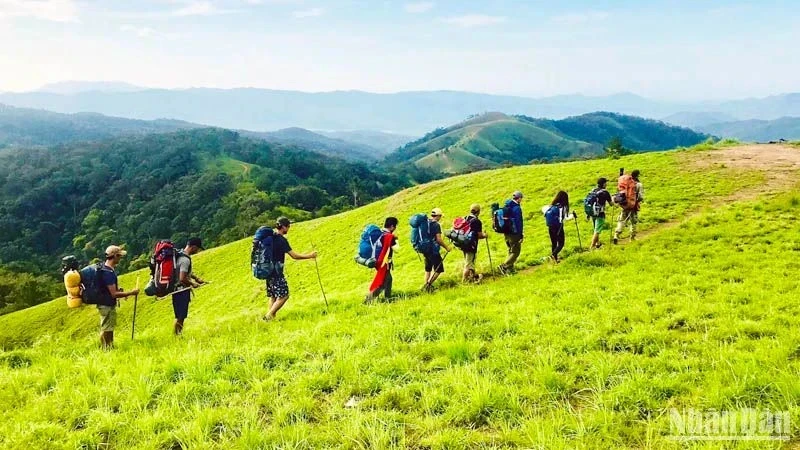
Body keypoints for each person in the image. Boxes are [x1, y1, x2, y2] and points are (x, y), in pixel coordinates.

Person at [263, 216, 317, 321]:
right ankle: (268, 317)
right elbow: (294, 256)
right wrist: (310, 255)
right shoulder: (281, 240)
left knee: (273, 296)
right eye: (288, 226)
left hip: (268, 270)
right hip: (277, 272)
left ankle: (271, 318)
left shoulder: (270, 238)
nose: (289, 228)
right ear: (283, 227)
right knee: (284, 296)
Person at [97, 245, 139, 349]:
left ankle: (109, 347)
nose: (120, 258)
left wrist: (119, 290)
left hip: (104, 302)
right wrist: (131, 292)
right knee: (107, 328)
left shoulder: (105, 269)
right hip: (106, 304)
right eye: (119, 256)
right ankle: (107, 348)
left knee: (108, 327)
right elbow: (114, 294)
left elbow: (110, 289)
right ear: (115, 256)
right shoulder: (108, 273)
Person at [172, 237, 206, 336]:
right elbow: (182, 278)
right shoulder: (185, 259)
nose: (197, 251)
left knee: (180, 315)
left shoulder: (180, 255)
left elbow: (184, 272)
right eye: (198, 248)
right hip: (181, 291)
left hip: (177, 290)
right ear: (193, 247)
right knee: (181, 316)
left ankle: (177, 335)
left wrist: (196, 278)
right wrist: (193, 284)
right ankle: (177, 336)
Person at [364, 217, 398, 304]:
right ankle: (368, 300)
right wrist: (396, 239)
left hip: (377, 261)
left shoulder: (380, 233)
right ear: (392, 226)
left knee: (388, 279)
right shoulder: (390, 236)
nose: (395, 229)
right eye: (395, 227)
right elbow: (397, 249)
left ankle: (388, 298)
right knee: (382, 283)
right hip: (384, 262)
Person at [423, 208, 453, 292]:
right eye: (440, 216)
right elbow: (438, 239)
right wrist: (446, 247)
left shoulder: (426, 223)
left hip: (425, 249)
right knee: (439, 269)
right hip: (433, 250)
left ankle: (427, 287)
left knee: (428, 268)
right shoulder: (436, 225)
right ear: (438, 216)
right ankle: (427, 286)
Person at [542, 191, 575, 263]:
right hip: (558, 227)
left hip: (550, 226)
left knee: (554, 243)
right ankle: (553, 255)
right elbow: (566, 218)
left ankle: (555, 260)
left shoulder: (552, 206)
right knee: (561, 243)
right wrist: (573, 215)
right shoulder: (563, 207)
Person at [614, 169, 645, 244]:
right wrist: (637, 201)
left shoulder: (626, 183)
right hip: (633, 206)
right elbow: (640, 197)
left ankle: (616, 235)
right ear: (638, 175)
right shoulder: (638, 184)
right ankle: (632, 238)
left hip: (624, 204)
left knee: (621, 220)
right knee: (633, 222)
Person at [498, 191, 524, 274]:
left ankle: (510, 270)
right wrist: (520, 235)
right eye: (521, 198)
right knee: (516, 251)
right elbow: (518, 223)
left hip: (506, 232)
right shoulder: (517, 208)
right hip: (514, 233)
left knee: (511, 250)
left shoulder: (507, 205)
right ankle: (504, 266)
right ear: (519, 198)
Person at [461, 204, 487, 283]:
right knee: (468, 264)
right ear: (478, 211)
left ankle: (472, 278)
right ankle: (464, 281)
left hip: (463, 243)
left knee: (470, 262)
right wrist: (485, 235)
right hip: (471, 245)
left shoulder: (465, 218)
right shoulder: (477, 221)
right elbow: (479, 235)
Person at [589, 178, 614, 249]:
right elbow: (611, 204)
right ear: (603, 184)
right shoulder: (605, 192)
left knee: (595, 229)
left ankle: (598, 243)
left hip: (592, 212)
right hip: (600, 213)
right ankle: (592, 247)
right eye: (606, 183)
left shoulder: (593, 190)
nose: (606, 184)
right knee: (597, 230)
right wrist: (614, 201)